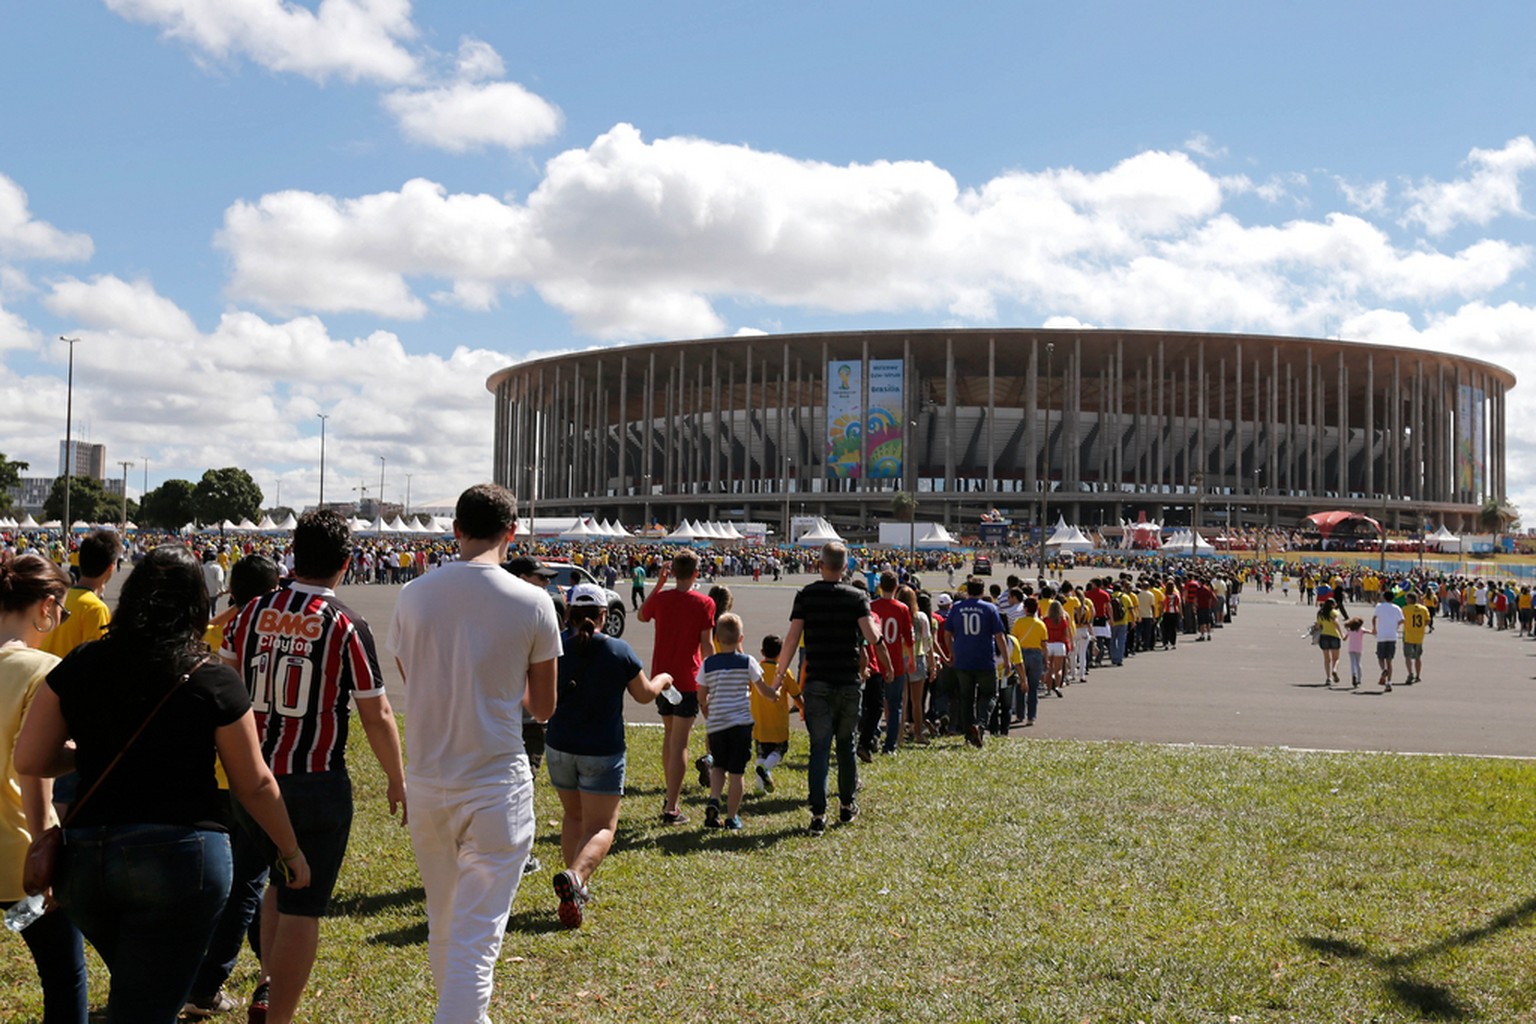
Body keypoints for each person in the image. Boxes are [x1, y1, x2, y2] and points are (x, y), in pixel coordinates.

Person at [15, 546, 309, 1023]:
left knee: (141, 989)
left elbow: (30, 758)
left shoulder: (81, 663)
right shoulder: (212, 677)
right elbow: (253, 783)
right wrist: (290, 851)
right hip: (183, 856)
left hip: (88, 861)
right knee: (148, 1002)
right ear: (197, 604)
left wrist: (88, 754)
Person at [220, 510, 407, 1024]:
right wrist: (396, 776)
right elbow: (377, 712)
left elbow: (225, 693)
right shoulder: (346, 622)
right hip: (315, 780)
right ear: (347, 563)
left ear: (292, 554)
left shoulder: (249, 613)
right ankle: (278, 1013)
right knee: (304, 902)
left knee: (281, 880)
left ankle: (266, 987)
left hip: (252, 779)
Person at [386, 484, 559, 1024]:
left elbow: (414, 679)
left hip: (430, 781)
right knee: (476, 939)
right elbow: (545, 706)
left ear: (455, 530)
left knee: (447, 924)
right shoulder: (533, 601)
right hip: (495, 782)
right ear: (512, 534)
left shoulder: (413, 595)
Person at [185, 554, 282, 1019]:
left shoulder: (207, 632)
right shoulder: (269, 632)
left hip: (207, 771)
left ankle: (264, 967)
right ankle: (209, 981)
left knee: (226, 880)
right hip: (250, 770)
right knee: (250, 881)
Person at [544, 584, 670, 928]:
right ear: (603, 616)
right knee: (601, 825)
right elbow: (644, 695)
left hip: (559, 746)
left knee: (573, 817)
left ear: (569, 615)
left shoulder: (556, 648)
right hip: (601, 750)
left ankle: (576, 889)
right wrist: (661, 680)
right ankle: (576, 877)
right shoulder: (619, 650)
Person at [0, 552, 87, 1024]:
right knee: (62, 975)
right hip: (17, 857)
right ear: (47, 606)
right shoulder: (43, 669)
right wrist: (47, 848)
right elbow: (34, 776)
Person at [777, 542, 892, 836]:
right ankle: (846, 805)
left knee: (819, 748)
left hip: (817, 681)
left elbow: (791, 639)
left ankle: (818, 813)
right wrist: (887, 664)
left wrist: (779, 676)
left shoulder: (806, 596)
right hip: (848, 681)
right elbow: (871, 635)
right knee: (846, 746)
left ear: (819, 564)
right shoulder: (857, 596)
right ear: (846, 567)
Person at [637, 551, 715, 825]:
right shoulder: (704, 603)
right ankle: (672, 806)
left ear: (673, 573)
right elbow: (706, 645)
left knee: (670, 737)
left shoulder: (662, 598)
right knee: (679, 741)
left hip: (663, 677)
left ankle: (672, 795)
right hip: (687, 678)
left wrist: (658, 584)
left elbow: (641, 616)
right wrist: (713, 675)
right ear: (696, 573)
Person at [698, 613, 776, 830]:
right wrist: (774, 694)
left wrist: (707, 705)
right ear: (740, 639)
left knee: (718, 767)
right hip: (740, 726)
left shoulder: (707, 664)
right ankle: (732, 816)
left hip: (717, 725)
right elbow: (762, 689)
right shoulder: (747, 662)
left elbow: (701, 696)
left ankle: (714, 798)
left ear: (717, 639)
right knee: (736, 773)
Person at [941, 579, 1010, 748]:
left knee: (966, 697)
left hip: (963, 659)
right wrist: (1007, 660)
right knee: (990, 694)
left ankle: (968, 734)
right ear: (982, 590)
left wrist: (952, 653)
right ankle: (980, 724)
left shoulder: (956, 607)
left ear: (968, 590)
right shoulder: (990, 608)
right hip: (984, 659)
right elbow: (1000, 636)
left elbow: (947, 634)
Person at [869, 573, 914, 755]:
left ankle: (872, 736)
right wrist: (910, 659)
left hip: (876, 661)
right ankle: (890, 745)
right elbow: (908, 638)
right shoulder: (902, 608)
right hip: (895, 662)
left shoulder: (872, 606)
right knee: (895, 705)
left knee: (873, 704)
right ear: (896, 587)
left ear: (880, 587)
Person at [750, 635, 799, 792]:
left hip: (759, 721)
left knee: (761, 752)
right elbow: (796, 694)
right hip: (778, 723)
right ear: (781, 653)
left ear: (762, 651)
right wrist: (803, 708)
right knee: (780, 750)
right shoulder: (784, 673)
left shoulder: (755, 670)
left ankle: (759, 786)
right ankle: (766, 768)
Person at [1371, 591, 1406, 692]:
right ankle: (1389, 682)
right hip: (1392, 635)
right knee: (1389, 660)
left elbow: (1374, 618)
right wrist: (1396, 624)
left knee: (1380, 657)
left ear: (1384, 597)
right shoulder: (1396, 608)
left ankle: (1383, 670)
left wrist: (1374, 628)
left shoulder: (1379, 606)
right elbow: (1403, 620)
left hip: (1382, 635)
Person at [1401, 591, 1430, 686]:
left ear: (1410, 599)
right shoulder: (1423, 609)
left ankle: (1410, 673)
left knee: (1407, 656)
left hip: (1409, 635)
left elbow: (1401, 620)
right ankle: (1418, 675)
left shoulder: (1405, 609)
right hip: (1419, 635)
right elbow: (1427, 621)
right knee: (1418, 657)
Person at [1316, 598, 1345, 686]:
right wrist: (1342, 633)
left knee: (1326, 659)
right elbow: (1336, 623)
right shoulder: (1334, 612)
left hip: (1324, 636)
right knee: (1336, 658)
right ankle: (1334, 670)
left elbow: (1318, 626)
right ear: (1333, 605)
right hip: (1334, 636)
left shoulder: (1320, 613)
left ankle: (1328, 678)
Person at [1343, 617, 1367, 689]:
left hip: (1351, 649)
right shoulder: (1361, 630)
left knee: (1352, 663)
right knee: (1358, 663)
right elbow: (1371, 632)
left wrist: (1342, 633)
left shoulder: (1350, 631)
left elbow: (1344, 639)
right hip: (1359, 649)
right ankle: (1359, 679)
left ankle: (1354, 674)